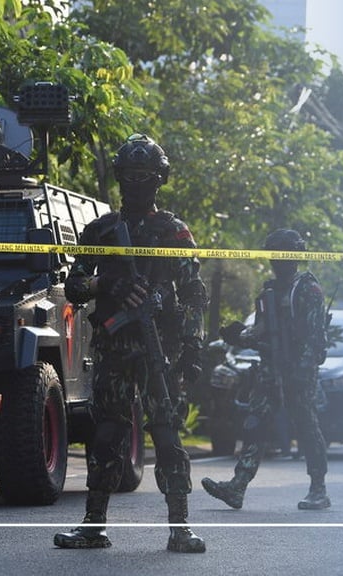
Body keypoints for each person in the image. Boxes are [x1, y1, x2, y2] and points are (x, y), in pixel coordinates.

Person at [53, 134, 208, 553]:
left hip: (161, 349)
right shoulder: (101, 230)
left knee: (168, 435)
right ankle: (93, 523)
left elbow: (194, 293)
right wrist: (109, 283)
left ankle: (180, 525)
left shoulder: (174, 231)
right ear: (120, 178)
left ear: (159, 180)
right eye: (129, 176)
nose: (137, 183)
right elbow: (74, 287)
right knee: (106, 435)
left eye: (146, 176)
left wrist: (193, 345)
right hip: (116, 346)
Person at [201, 228, 330, 511]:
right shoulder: (269, 290)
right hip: (270, 367)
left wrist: (302, 369)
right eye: (274, 254)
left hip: (299, 369)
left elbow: (315, 336)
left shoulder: (308, 289)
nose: (278, 260)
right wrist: (240, 336)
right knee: (255, 422)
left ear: (296, 255)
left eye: (284, 253)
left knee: (306, 425)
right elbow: (261, 329)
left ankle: (318, 488)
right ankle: (238, 486)